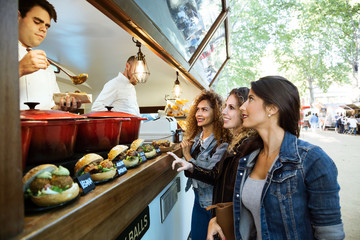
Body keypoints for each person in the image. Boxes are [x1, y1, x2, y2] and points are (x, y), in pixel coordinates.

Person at [208, 76, 345, 240]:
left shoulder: (313, 160)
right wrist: (218, 220)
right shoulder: (249, 158)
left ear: (272, 108)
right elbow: (254, 213)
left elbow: (330, 235)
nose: (243, 106)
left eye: (250, 99)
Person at [168, 90, 231, 240]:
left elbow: (210, 176)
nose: (198, 114)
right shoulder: (196, 140)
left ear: (216, 113)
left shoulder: (221, 144)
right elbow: (190, 173)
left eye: (204, 110)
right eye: (197, 109)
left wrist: (188, 156)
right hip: (198, 201)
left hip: (211, 205)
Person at [18, 0, 81, 111]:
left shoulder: (47, 66)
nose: (43, 29)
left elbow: (50, 107)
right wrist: (19, 69)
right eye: (37, 22)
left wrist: (62, 107)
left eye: (47, 27)